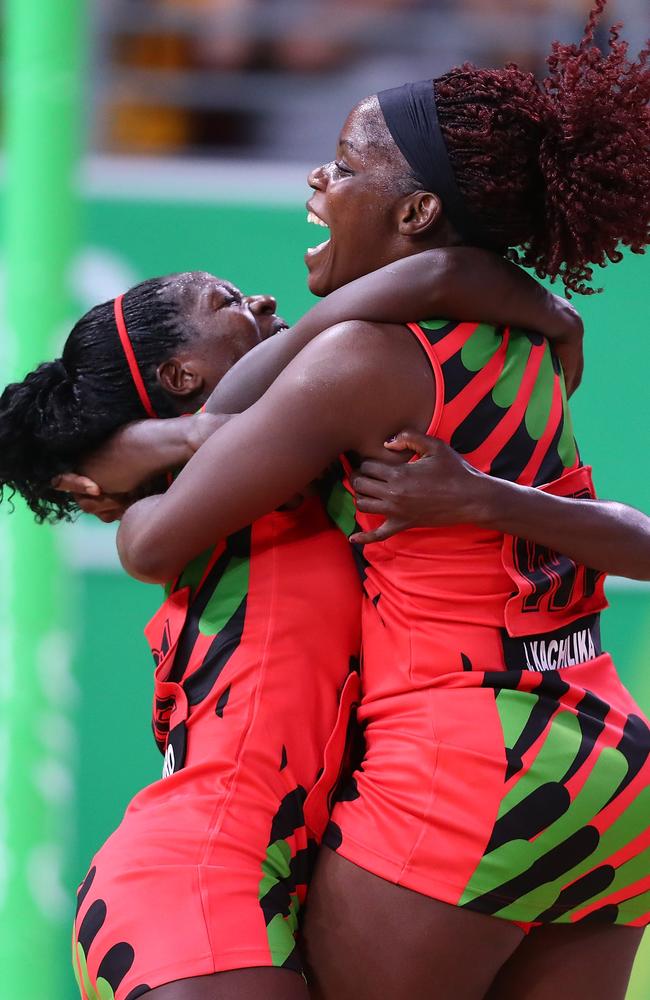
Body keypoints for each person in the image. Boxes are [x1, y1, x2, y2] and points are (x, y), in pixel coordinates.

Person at [73, 4, 649, 998]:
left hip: (468, 758)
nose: (318, 180)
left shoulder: (355, 360)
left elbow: (153, 537)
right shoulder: (539, 346)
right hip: (609, 758)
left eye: (342, 166)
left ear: (416, 213)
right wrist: (456, 287)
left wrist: (370, 318)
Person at [1, 256, 595, 1000]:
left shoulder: (291, 463)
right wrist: (561, 316)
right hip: (193, 881)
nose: (262, 295)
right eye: (227, 300)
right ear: (181, 376)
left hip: (267, 883)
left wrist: (154, 446)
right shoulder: (218, 492)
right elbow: (436, 273)